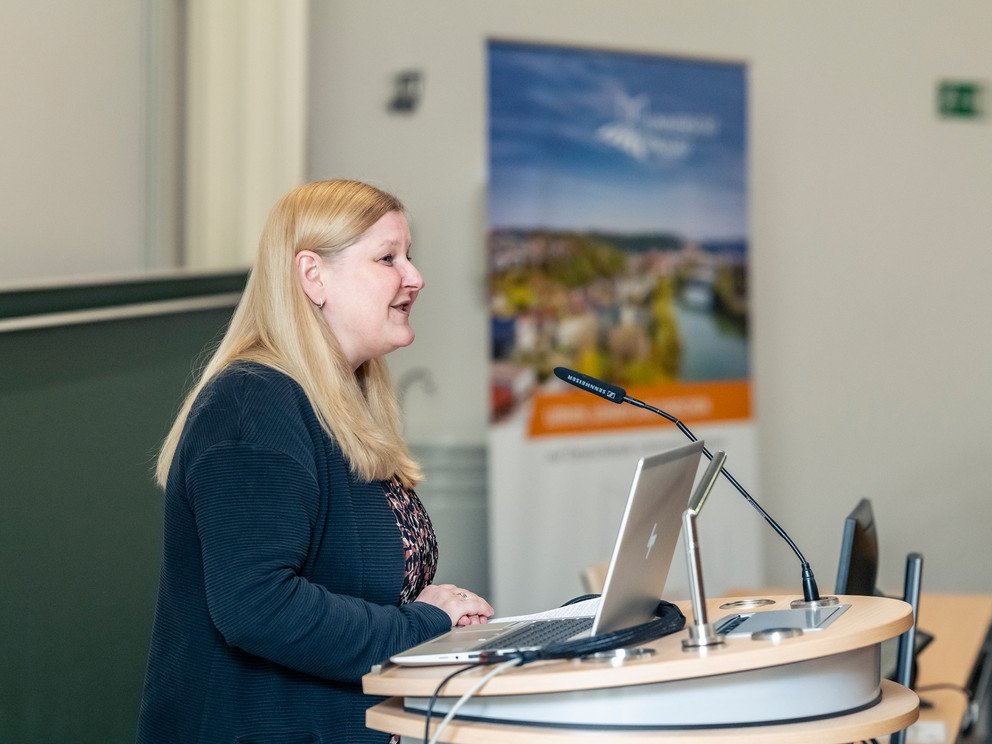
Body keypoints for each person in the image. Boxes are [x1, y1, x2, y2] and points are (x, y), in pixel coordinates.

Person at [136, 179, 494, 743]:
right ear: (313, 276)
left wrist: (434, 614)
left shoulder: (341, 399)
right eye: (387, 258)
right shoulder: (252, 404)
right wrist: (423, 623)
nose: (415, 276)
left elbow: (347, 584)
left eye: (409, 255)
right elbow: (260, 606)